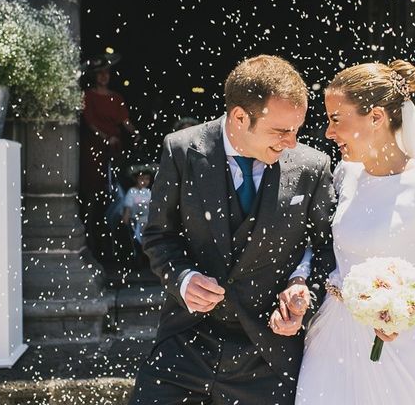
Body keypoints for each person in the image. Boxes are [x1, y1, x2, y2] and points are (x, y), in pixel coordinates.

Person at [129, 55, 336, 405]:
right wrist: (182, 278)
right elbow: (158, 236)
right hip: (185, 342)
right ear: (240, 117)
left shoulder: (312, 167)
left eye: (296, 130)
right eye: (281, 131)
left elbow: (326, 247)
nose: (291, 142)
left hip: (268, 354)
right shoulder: (180, 150)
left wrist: (303, 287)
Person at [295, 60, 415, 404]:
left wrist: (401, 315)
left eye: (336, 120)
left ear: (376, 118)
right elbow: (318, 245)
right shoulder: (345, 175)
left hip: (394, 346)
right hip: (331, 337)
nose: (329, 132)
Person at [79, 52, 141, 259]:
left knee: (116, 190)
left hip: (114, 149)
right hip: (94, 149)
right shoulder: (88, 95)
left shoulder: (116, 97)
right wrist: (104, 137)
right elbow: (90, 122)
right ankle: (92, 237)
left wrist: (136, 133)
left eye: (107, 73)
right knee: (95, 192)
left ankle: (117, 241)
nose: (104, 76)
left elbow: (125, 121)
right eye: (100, 73)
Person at [121, 167, 153, 247]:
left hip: (148, 218)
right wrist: (126, 218)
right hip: (137, 220)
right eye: (142, 179)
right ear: (136, 179)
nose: (144, 181)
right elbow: (128, 208)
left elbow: (152, 207)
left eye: (147, 179)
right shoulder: (132, 191)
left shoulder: (148, 192)